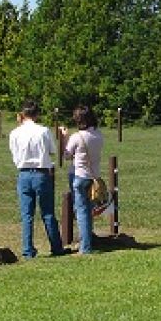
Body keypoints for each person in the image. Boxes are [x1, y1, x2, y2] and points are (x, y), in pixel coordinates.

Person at [8, 99, 66, 258]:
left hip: (23, 173)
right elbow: (52, 150)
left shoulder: (14, 133)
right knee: (48, 212)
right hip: (41, 173)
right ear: (37, 114)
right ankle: (56, 247)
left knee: (27, 215)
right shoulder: (43, 131)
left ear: (22, 114)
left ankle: (28, 250)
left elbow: (14, 155)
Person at [63, 106, 104, 255]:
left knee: (81, 211)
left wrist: (65, 138)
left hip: (79, 175)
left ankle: (85, 247)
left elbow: (66, 156)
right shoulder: (98, 135)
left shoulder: (77, 137)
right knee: (88, 210)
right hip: (93, 177)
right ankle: (88, 239)